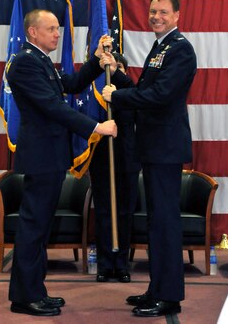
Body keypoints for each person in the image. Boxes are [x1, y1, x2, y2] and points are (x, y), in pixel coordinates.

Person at [6, 9, 117, 317]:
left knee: (40, 227)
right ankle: (25, 297)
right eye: (52, 29)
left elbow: (69, 84)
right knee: (33, 226)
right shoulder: (26, 63)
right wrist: (96, 128)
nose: (58, 34)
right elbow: (53, 107)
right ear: (32, 33)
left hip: (50, 156)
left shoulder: (40, 60)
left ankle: (35, 290)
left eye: (57, 28)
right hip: (42, 156)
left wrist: (95, 60)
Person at [102, 0, 197, 317]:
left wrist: (118, 97)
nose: (156, 16)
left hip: (166, 149)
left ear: (176, 16)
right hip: (155, 147)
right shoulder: (161, 48)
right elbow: (143, 91)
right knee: (156, 222)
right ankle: (156, 288)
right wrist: (116, 72)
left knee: (166, 223)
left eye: (163, 12)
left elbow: (158, 96)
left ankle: (169, 296)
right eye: (153, 11)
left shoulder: (181, 50)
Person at [89, 53, 141, 283]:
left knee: (124, 213)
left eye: (117, 67)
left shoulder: (131, 94)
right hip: (102, 160)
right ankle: (104, 264)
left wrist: (117, 82)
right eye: (109, 67)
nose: (112, 71)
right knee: (103, 213)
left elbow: (134, 97)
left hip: (127, 160)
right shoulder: (97, 97)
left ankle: (121, 265)